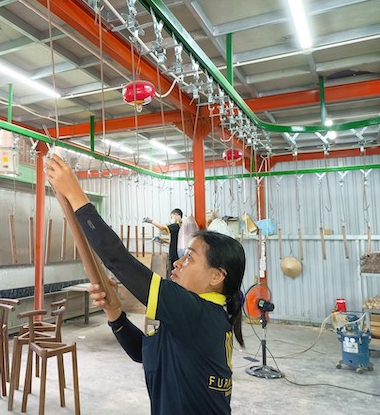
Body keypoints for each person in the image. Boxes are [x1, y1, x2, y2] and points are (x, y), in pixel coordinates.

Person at [45, 154, 245, 415]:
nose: (177, 264)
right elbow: (144, 352)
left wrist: (77, 196)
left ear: (216, 276)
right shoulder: (196, 317)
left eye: (189, 258)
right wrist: (115, 313)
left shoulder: (198, 313)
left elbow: (119, 261)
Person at [143, 209, 183, 278]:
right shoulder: (181, 227)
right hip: (178, 255)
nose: (171, 219)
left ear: (176, 215)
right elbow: (175, 241)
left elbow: (162, 228)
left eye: (172, 217)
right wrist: (162, 240)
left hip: (174, 256)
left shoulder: (176, 226)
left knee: (173, 276)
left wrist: (150, 221)